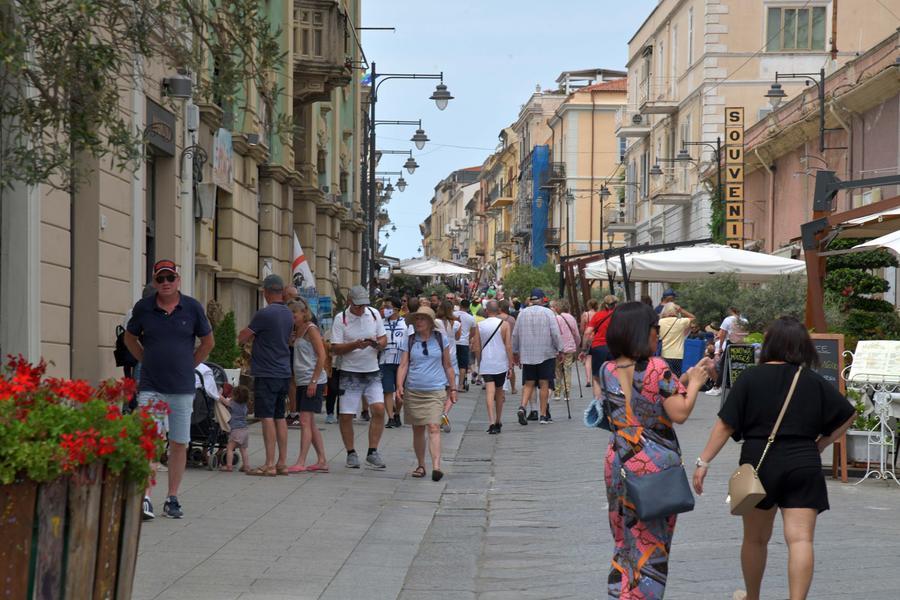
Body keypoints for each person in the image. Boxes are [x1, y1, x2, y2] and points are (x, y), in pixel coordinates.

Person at [693, 316, 855, 600]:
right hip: (803, 460)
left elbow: (726, 424)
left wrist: (703, 462)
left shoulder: (750, 378)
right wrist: (822, 443)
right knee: (801, 539)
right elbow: (848, 414)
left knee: (755, 539)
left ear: (770, 344)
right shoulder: (812, 380)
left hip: (760, 462)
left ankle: (753, 596)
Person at [599, 301, 710, 598]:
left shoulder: (606, 369)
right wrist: (695, 383)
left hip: (618, 458)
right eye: (655, 328)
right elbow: (679, 412)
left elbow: (638, 398)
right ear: (641, 330)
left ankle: (622, 594)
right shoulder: (658, 367)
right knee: (651, 543)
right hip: (651, 463)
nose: (657, 334)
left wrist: (680, 381)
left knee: (624, 540)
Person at [124, 259, 215, 519]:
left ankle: (172, 497)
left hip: (181, 388)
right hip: (151, 387)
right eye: (160, 279)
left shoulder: (192, 307)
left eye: (170, 278)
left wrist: (189, 364)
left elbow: (208, 342)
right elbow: (129, 338)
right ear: (154, 282)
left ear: (178, 280)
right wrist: (144, 359)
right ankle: (145, 497)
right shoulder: (144, 308)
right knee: (149, 441)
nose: (165, 283)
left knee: (178, 443)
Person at [238, 274, 295, 477]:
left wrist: (247, 336)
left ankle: (269, 464)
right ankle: (282, 463)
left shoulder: (264, 313)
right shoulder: (288, 314)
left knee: (267, 417)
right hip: (283, 371)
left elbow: (243, 336)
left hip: (267, 371)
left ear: (266, 292)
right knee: (280, 416)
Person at [396, 305, 457, 481]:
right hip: (414, 390)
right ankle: (421, 464)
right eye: (416, 318)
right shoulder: (410, 340)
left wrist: (453, 388)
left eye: (422, 318)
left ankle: (436, 467)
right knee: (418, 429)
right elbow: (403, 364)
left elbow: (448, 365)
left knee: (434, 426)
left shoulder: (440, 338)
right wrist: (399, 385)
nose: (418, 321)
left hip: (436, 390)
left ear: (430, 322)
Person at [330, 285, 388, 469]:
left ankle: (372, 451)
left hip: (372, 370)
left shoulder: (373, 314)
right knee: (347, 415)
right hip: (350, 372)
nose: (361, 308)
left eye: (364, 305)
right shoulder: (341, 318)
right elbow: (335, 348)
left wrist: (377, 344)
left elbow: (384, 339)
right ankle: (351, 452)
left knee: (379, 409)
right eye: (358, 305)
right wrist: (355, 345)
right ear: (349, 302)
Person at [287, 300, 329, 473]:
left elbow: (322, 355)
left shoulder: (311, 329)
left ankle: (301, 461)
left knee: (304, 421)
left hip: (312, 380)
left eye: (294, 314)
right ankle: (322, 460)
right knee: (310, 423)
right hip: (302, 380)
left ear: (303, 313)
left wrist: (313, 381)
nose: (292, 317)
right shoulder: (297, 330)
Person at [512, 288, 562, 425]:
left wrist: (515, 352)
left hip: (527, 354)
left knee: (529, 383)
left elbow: (515, 334)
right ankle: (543, 415)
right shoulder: (548, 313)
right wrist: (560, 349)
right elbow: (555, 333)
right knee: (544, 383)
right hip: (546, 353)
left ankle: (522, 407)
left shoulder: (522, 314)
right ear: (542, 299)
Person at [472, 300, 513, 434]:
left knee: (490, 393)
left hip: (487, 362)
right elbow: (508, 346)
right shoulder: (505, 324)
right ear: (499, 310)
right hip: (501, 362)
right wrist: (510, 364)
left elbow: (476, 347)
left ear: (486, 310)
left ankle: (491, 422)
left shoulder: (480, 325)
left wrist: (480, 362)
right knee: (499, 393)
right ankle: (498, 420)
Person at [581, 295, 617, 402]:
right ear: (616, 304)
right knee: (615, 375)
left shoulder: (598, 315)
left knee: (596, 378)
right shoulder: (620, 315)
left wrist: (584, 349)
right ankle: (614, 401)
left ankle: (598, 403)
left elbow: (587, 332)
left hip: (598, 347)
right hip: (614, 347)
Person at [380, 296, 407, 429]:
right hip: (385, 360)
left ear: (396, 309)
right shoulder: (380, 323)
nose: (385, 310)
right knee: (387, 390)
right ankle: (390, 417)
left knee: (400, 391)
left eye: (388, 307)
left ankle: (397, 413)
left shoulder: (405, 323)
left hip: (401, 361)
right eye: (384, 307)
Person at [436, 300, 461, 433]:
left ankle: (439, 412)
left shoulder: (435, 322)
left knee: (440, 386)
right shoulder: (456, 323)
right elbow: (458, 338)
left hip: (439, 355)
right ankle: (445, 413)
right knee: (452, 387)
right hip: (452, 357)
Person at [658, 302, 696, 376]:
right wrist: (681, 310)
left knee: (665, 377)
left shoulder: (660, 322)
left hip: (664, 354)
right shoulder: (681, 321)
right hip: (678, 355)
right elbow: (694, 318)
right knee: (677, 377)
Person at [552, 299, 579, 400]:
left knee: (557, 371)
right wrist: (576, 345)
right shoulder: (571, 318)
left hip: (558, 349)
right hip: (569, 347)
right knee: (567, 370)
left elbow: (554, 334)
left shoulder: (556, 318)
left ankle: (557, 393)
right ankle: (567, 393)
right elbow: (576, 334)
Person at [221, 385, 251, 473]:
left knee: (230, 448)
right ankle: (246, 466)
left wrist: (218, 394)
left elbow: (224, 401)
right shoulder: (245, 405)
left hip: (236, 430)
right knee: (243, 449)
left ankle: (229, 466)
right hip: (245, 430)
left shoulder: (233, 404)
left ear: (235, 395)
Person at [454, 299, 477, 393]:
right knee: (463, 365)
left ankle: (451, 384)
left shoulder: (453, 314)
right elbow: (473, 332)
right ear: (468, 307)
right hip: (464, 343)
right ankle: (460, 385)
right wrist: (468, 337)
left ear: (460, 305)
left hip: (453, 342)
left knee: (452, 363)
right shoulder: (471, 318)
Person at [498, 299, 518, 395]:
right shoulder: (512, 319)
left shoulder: (495, 318)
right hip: (509, 345)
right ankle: (513, 388)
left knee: (499, 368)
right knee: (511, 367)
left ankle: (500, 390)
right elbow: (515, 334)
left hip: (498, 345)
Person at [579, 298, 599, 388]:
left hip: (587, 338)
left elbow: (582, 328)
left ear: (589, 305)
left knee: (588, 358)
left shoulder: (585, 314)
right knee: (597, 358)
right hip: (597, 338)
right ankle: (596, 378)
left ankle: (588, 380)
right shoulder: (598, 314)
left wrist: (582, 334)